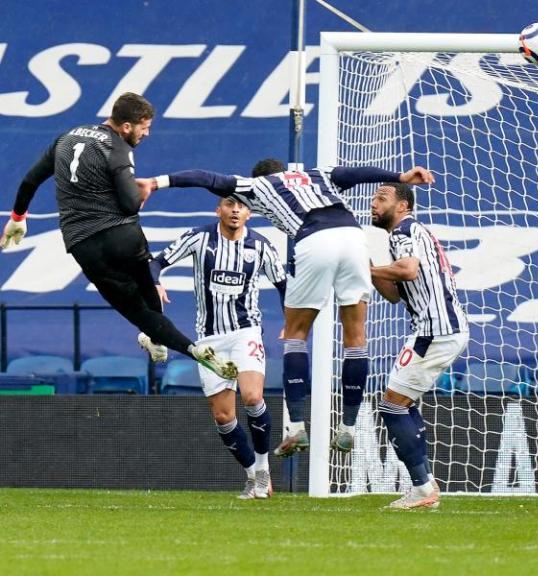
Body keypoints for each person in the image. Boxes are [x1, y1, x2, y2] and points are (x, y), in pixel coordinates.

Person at [139, 160, 435, 457]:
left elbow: (207, 176)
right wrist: (400, 176)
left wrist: (156, 182)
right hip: (354, 238)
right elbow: (355, 173)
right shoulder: (316, 174)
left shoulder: (257, 186)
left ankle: (295, 428)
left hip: (315, 239)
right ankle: (348, 429)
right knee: (356, 336)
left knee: (296, 335)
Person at [1, 92, 237, 380]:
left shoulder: (66, 138)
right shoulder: (117, 148)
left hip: (82, 243)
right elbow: (129, 204)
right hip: (122, 236)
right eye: (144, 127)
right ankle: (164, 339)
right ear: (127, 126)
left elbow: (30, 180)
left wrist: (18, 218)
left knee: (136, 310)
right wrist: (137, 191)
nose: (147, 133)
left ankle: (189, 349)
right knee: (147, 288)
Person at [149, 196, 286, 499]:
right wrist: (156, 282)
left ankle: (263, 470)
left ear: (250, 212)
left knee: (252, 396)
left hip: (245, 331)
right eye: (229, 204)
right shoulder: (200, 238)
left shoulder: (261, 246)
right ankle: (251, 475)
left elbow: (283, 284)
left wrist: (292, 321)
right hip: (209, 339)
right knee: (224, 417)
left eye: (241, 205)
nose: (235, 210)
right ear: (218, 210)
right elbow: (157, 262)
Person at [369, 182, 469, 509]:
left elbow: (408, 271)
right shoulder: (412, 232)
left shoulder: (403, 232)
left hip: (435, 331)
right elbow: (397, 295)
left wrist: (365, 267)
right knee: (402, 403)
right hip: (440, 328)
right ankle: (424, 485)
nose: (373, 203)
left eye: (381, 198)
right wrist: (371, 273)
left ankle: (424, 488)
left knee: (392, 405)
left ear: (402, 205)